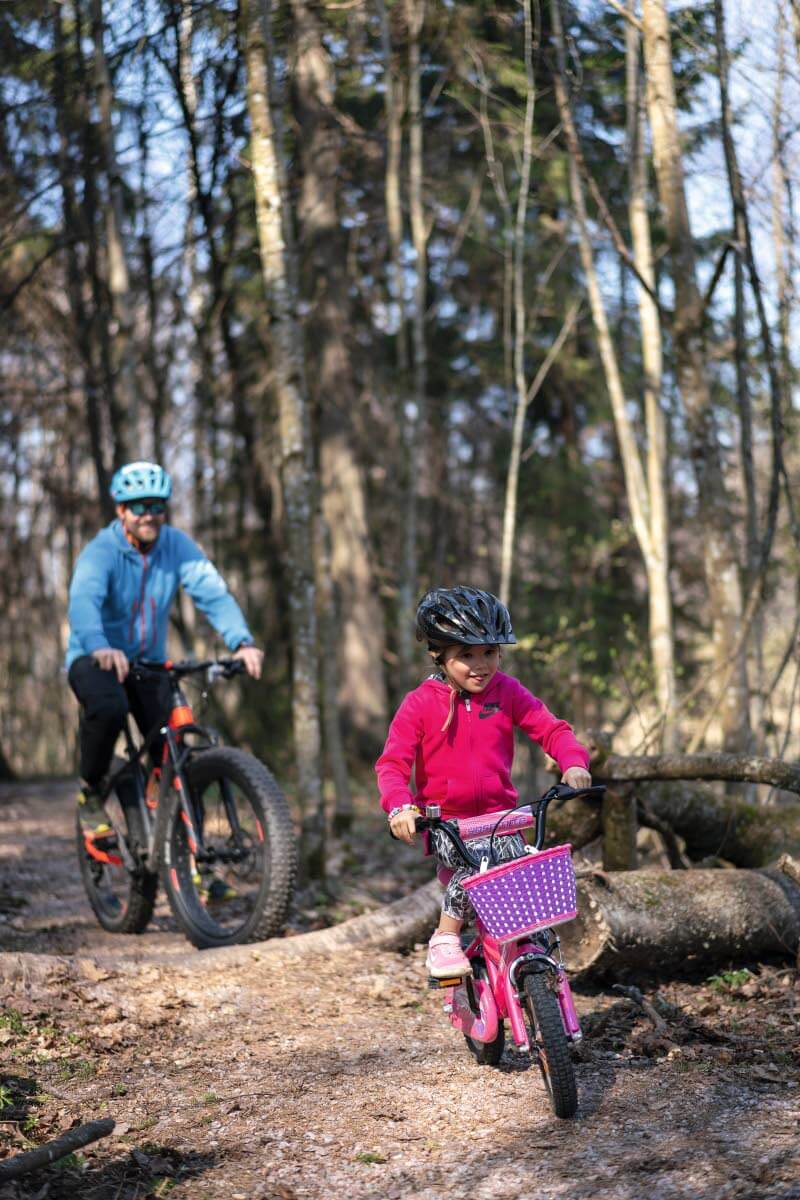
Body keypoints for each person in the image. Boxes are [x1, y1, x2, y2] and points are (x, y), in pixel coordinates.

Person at [375, 585, 592, 980]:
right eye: (466, 655)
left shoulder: (506, 692)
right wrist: (400, 807)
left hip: (500, 817)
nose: (481, 665)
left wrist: (573, 762)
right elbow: (392, 764)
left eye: (489, 652)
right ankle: (444, 938)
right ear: (440, 656)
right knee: (475, 868)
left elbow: (551, 728)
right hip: (444, 823)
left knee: (525, 867)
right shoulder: (420, 703)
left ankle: (534, 966)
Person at [66, 461, 263, 851]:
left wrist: (242, 641)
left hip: (147, 664)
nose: (149, 515)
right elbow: (83, 600)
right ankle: (90, 792)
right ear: (121, 511)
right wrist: (98, 644)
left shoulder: (177, 546)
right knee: (108, 707)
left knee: (180, 758)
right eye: (138, 507)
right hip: (94, 656)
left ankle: (192, 867)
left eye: (157, 506)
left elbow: (213, 593)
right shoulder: (101, 551)